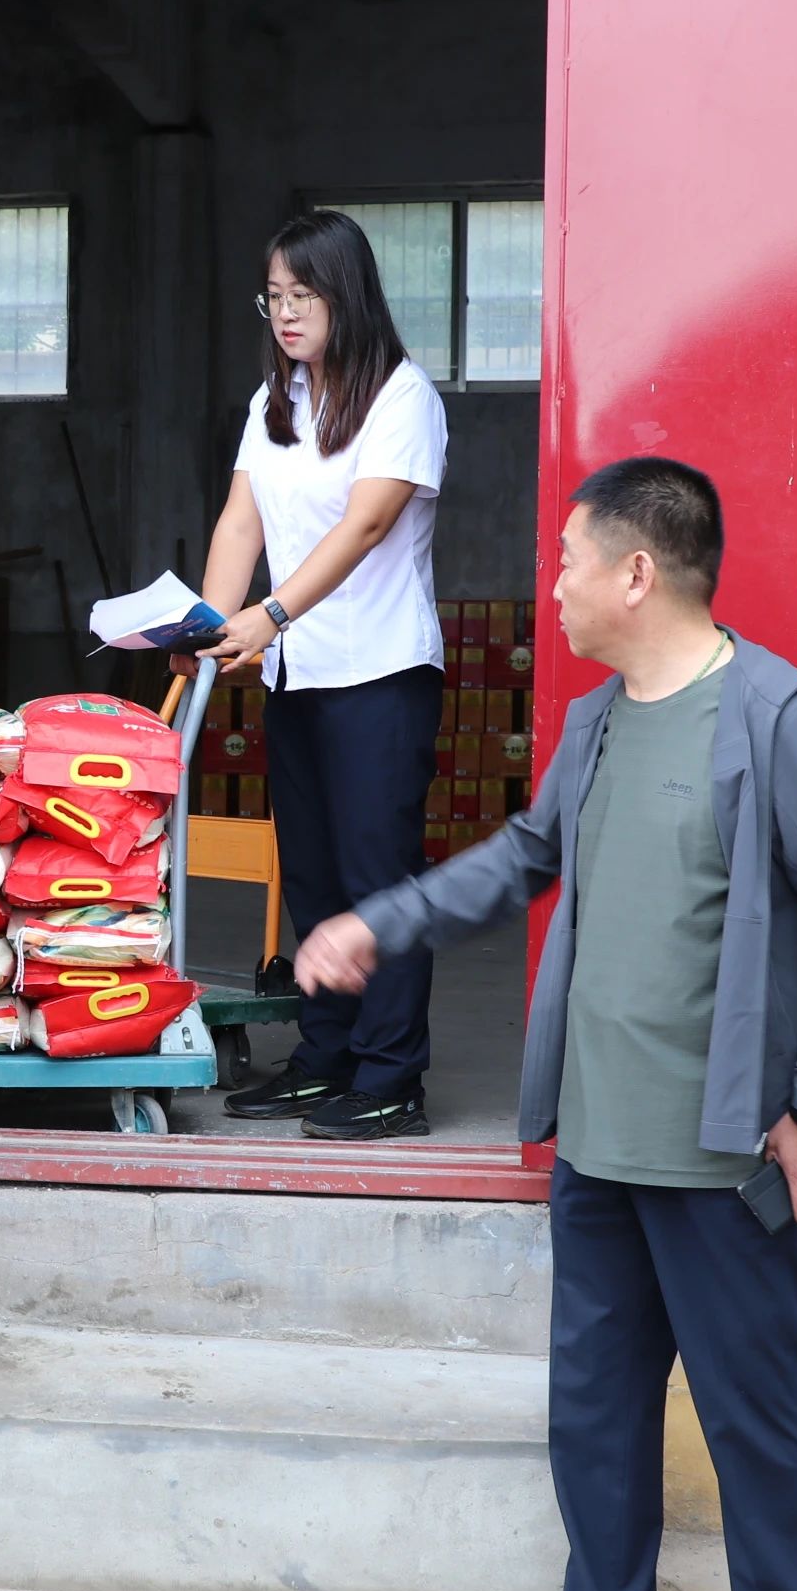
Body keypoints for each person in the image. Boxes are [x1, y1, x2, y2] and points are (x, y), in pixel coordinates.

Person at [293, 458, 797, 1591]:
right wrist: (380, 922)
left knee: (755, 1417)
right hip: (599, 1140)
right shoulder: (595, 724)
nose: (552, 585)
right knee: (596, 1406)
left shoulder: (778, 719)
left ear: (638, 571)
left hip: (724, 1152)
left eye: (568, 560)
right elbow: (527, 856)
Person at [198, 209, 450, 1142]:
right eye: (273, 297)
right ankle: (327, 1057)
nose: (286, 313)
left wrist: (269, 614)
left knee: (379, 879)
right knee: (312, 875)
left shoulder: (401, 397)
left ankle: (391, 1077)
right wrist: (208, 625)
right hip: (296, 675)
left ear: (348, 295)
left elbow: (367, 523)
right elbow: (242, 520)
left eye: (303, 295)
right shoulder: (277, 401)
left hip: (379, 672)